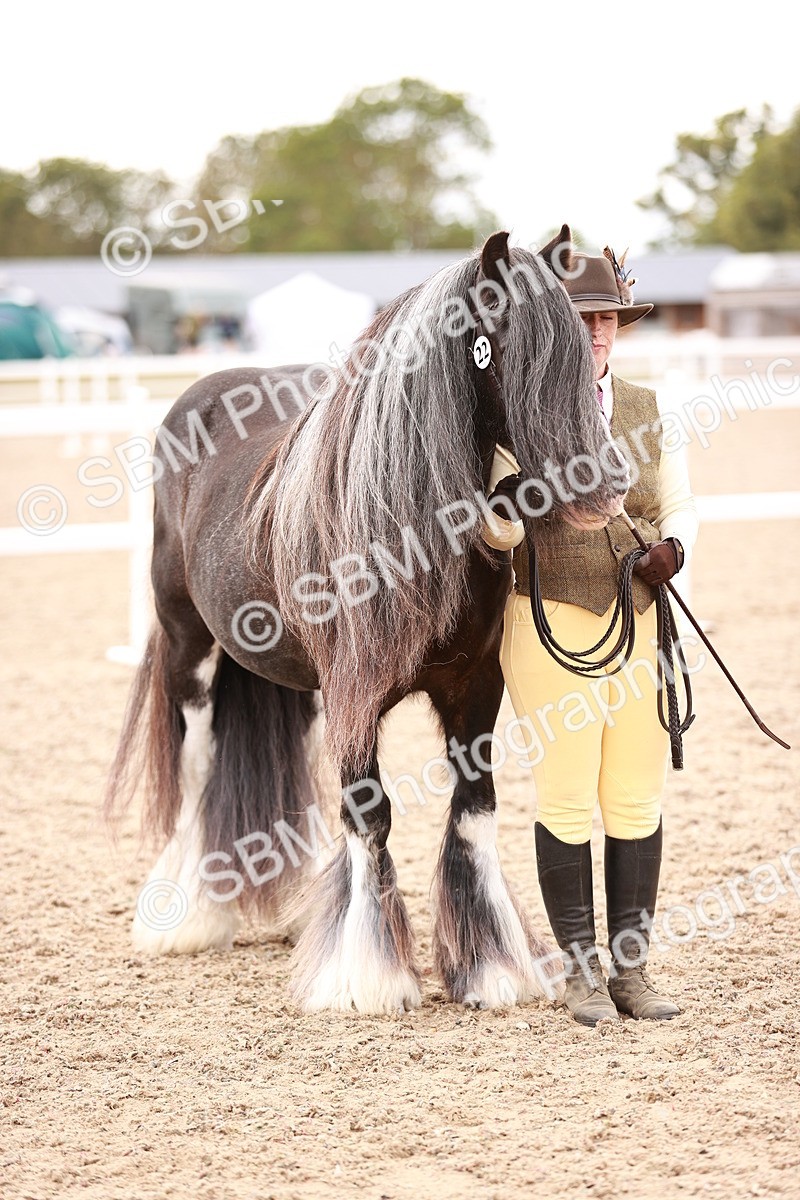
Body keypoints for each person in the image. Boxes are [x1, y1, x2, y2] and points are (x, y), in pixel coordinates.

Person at [482, 247, 699, 1026]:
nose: (596, 332)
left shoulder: (642, 404)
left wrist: (676, 551)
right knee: (569, 793)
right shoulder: (517, 409)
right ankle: (580, 972)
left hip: (636, 616)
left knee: (636, 791)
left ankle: (631, 973)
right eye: (581, 320)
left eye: (605, 318)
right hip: (548, 620)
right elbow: (496, 535)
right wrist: (509, 502)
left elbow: (678, 502)